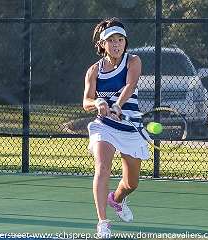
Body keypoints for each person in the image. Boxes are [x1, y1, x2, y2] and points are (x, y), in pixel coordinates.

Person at [82, 17, 150, 238]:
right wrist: (98, 103)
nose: (116, 44)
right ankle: (102, 222)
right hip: (105, 127)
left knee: (131, 183)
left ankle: (117, 200)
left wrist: (118, 105)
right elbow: (86, 102)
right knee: (102, 168)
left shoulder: (133, 61)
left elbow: (130, 85)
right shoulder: (93, 71)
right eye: (111, 40)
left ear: (125, 42)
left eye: (120, 39)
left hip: (130, 126)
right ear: (102, 44)